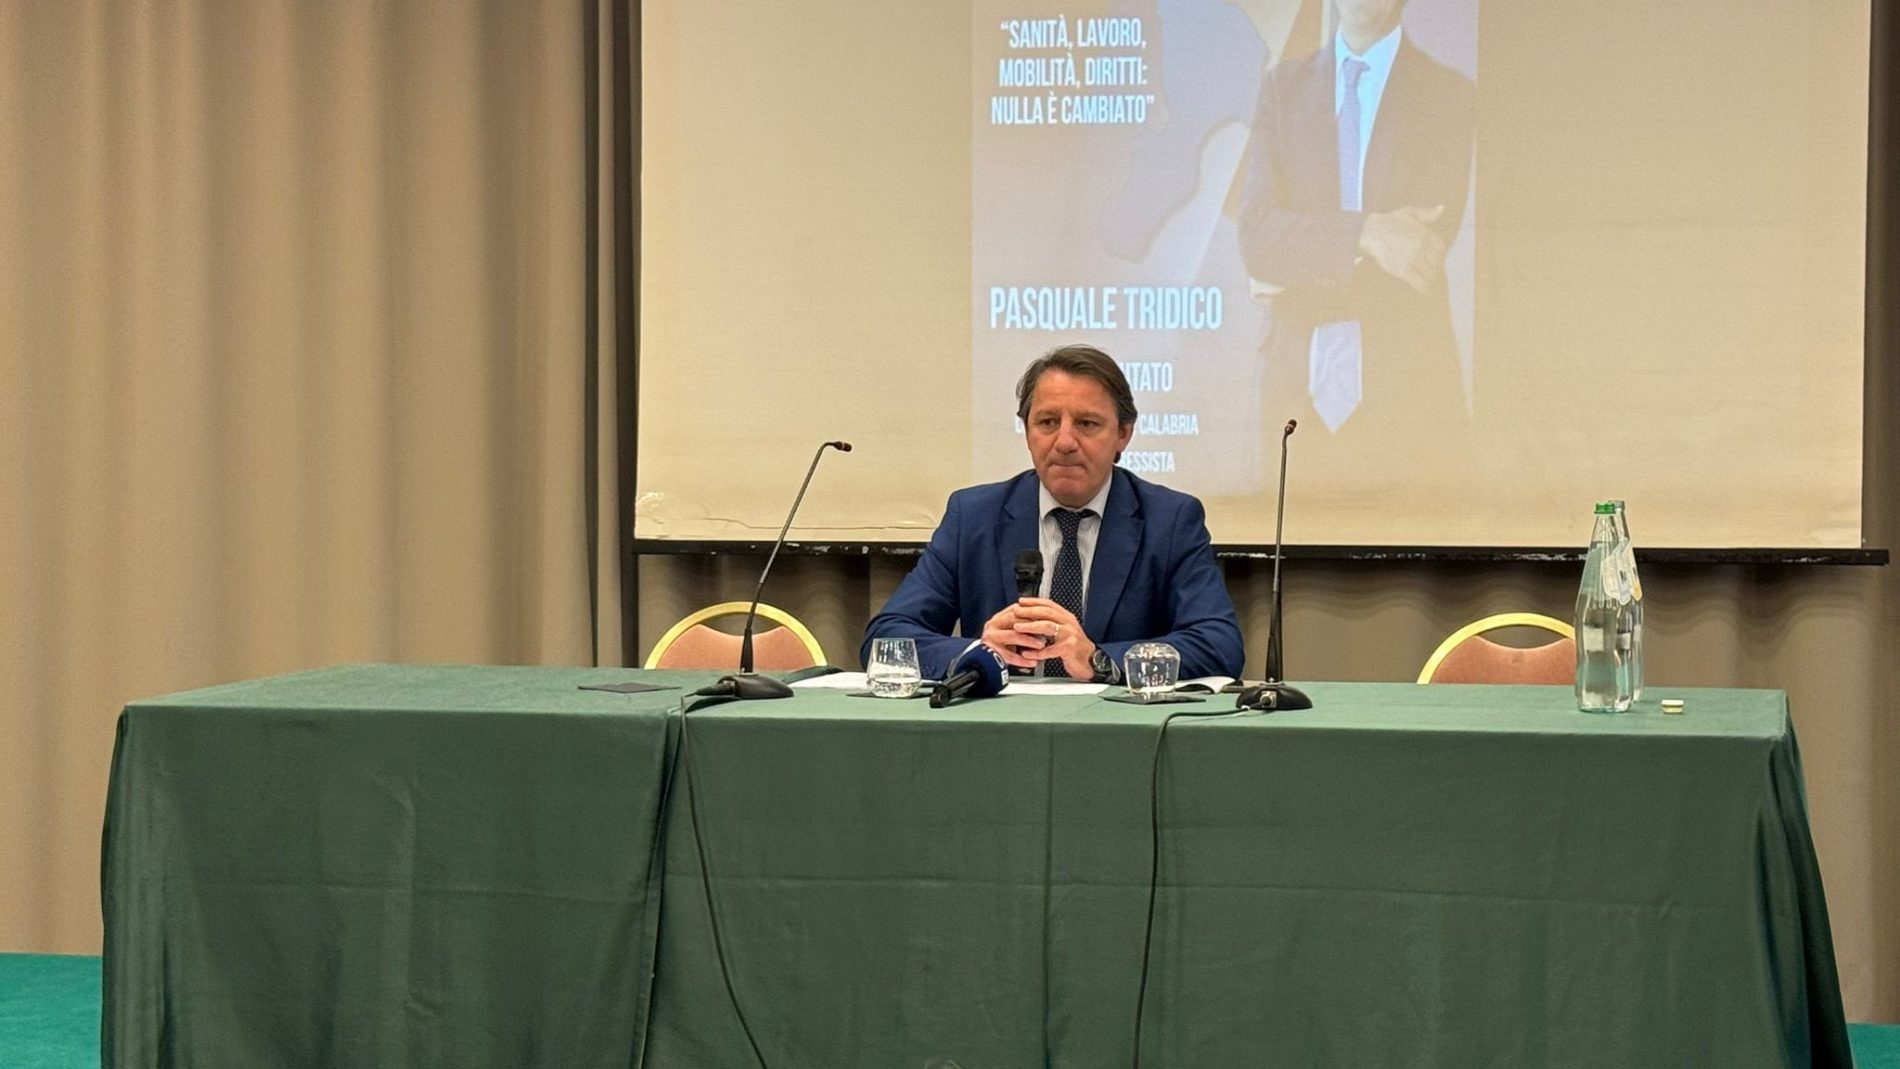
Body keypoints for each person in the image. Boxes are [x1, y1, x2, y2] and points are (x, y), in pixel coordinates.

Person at [862, 345, 1244, 684]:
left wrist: (1098, 659)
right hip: (999, 729)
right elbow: (886, 639)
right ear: (1027, 431)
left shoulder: (1170, 520)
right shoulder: (974, 516)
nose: (1064, 442)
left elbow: (1218, 645)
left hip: (1119, 731)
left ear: (1123, 434)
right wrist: (978, 653)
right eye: (1047, 423)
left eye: (1087, 424)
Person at [1237, 0, 1475, 436]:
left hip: (1409, 388)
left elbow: (1416, 249)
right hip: (1292, 391)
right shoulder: (1283, 89)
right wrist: (1366, 233)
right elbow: (1257, 240)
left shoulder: (1448, 95)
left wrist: (1292, 274)